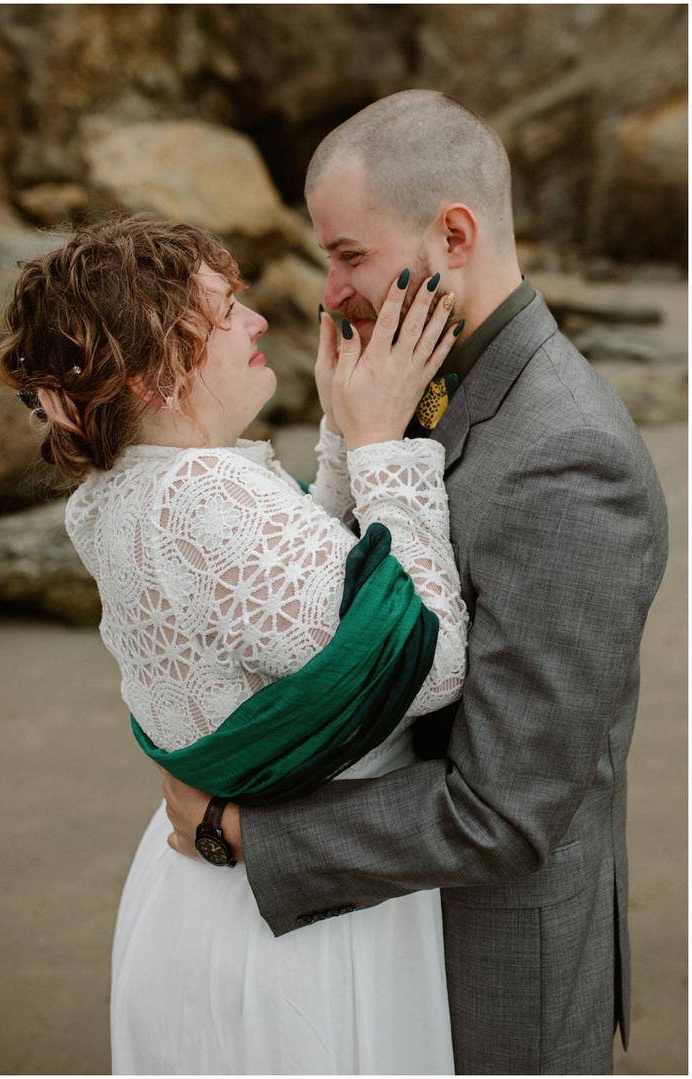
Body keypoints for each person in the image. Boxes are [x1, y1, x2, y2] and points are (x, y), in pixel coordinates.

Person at [162, 90, 669, 1073]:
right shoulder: (411, 383)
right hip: (382, 954)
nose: (330, 292)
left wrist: (241, 832)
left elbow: (505, 809)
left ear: (454, 235)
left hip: (492, 976)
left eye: (349, 255)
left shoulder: (569, 458)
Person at [0, 215, 469, 1073]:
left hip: (201, 894)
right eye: (224, 313)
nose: (256, 321)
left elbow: (289, 612)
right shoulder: (207, 496)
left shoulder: (114, 494)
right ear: (155, 371)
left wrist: (339, 435)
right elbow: (427, 665)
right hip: (303, 927)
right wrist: (383, 446)